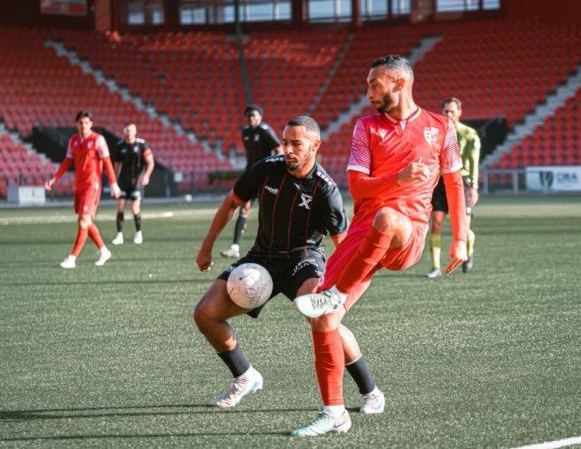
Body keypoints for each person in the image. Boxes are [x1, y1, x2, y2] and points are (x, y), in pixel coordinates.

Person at [291, 55, 468, 437]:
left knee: (388, 218)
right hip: (363, 233)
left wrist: (459, 239)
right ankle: (336, 412)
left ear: (399, 84)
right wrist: (400, 177)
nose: (368, 91)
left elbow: (454, 185)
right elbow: (357, 188)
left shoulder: (441, 127)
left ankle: (335, 293)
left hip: (409, 233)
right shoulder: (366, 128)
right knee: (323, 322)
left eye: (375, 84)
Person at [193, 116, 384, 416]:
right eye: (285, 142)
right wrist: (207, 246)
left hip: (303, 261)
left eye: (296, 143)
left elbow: (344, 245)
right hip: (261, 259)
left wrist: (342, 288)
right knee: (205, 314)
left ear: (315, 146)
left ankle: (371, 392)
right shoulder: (266, 169)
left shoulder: (326, 190)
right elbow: (232, 202)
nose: (288, 149)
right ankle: (245, 376)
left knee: (324, 318)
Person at [45, 111, 121, 268]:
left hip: (92, 185)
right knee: (84, 221)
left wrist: (113, 183)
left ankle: (72, 258)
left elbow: (107, 162)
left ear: (91, 124)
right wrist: (54, 178)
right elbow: (67, 161)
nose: (84, 125)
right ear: (76, 124)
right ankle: (104, 250)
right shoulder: (73, 140)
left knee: (83, 221)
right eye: (81, 122)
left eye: (87, 122)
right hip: (79, 185)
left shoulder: (98, 140)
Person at [427, 97, 480, 277]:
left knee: (464, 228)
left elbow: (473, 162)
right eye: (446, 111)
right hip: (440, 182)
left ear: (459, 113)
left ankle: (468, 251)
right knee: (436, 224)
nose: (449, 114)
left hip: (461, 181)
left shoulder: (469, 134)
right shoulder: (436, 132)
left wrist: (474, 186)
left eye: (452, 111)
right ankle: (435, 267)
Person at [220, 105, 282, 259]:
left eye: (254, 115)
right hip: (251, 175)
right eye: (248, 116)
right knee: (243, 208)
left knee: (268, 211)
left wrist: (273, 167)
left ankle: (276, 247)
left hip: (265, 176)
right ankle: (235, 248)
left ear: (260, 117)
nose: (251, 118)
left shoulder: (265, 130)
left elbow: (278, 148)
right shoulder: (245, 132)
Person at [111, 122, 155, 245]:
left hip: (136, 182)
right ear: (123, 131)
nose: (129, 132)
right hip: (123, 182)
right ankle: (119, 235)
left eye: (131, 130)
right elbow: (117, 166)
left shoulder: (142, 144)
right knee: (120, 207)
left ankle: (138, 233)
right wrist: (114, 182)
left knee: (135, 208)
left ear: (135, 131)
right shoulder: (120, 146)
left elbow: (150, 162)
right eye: (126, 130)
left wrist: (146, 176)